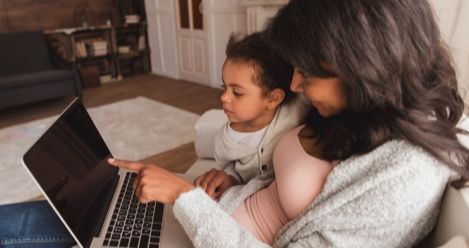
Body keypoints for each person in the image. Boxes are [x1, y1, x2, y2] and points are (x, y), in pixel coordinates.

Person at [2, 0, 469, 247]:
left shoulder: (405, 173)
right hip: (212, 214)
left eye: (310, 70)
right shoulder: (353, 114)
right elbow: (275, 174)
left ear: (365, 64)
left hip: (205, 230)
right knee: (78, 205)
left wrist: (184, 197)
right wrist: (231, 176)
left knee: (29, 226)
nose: (299, 82)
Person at [194, 32, 306, 200]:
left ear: (273, 98)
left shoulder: (298, 109)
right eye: (224, 87)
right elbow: (232, 169)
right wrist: (231, 177)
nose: (224, 97)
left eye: (237, 92)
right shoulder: (226, 140)